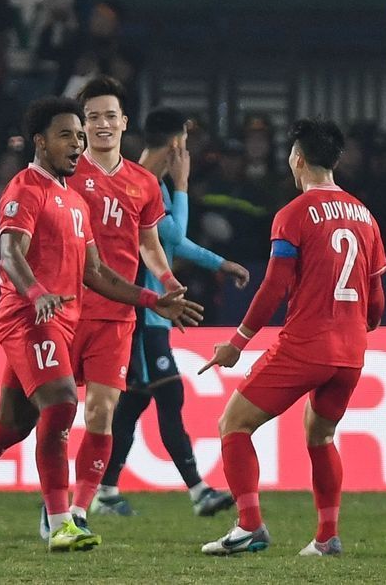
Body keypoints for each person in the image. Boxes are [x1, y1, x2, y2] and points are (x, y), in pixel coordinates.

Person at [0, 97, 203, 553]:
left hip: (61, 319)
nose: (77, 144)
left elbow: (97, 273)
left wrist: (152, 300)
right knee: (63, 403)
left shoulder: (75, 201)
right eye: (66, 135)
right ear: (40, 142)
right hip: (28, 317)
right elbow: (11, 253)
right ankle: (63, 522)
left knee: (11, 425)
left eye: (79, 137)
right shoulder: (25, 189)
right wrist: (36, 293)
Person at [197, 118, 386, 558]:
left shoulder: (294, 214)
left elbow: (274, 286)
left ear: (297, 159)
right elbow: (377, 299)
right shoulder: (366, 216)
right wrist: (359, 326)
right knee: (320, 435)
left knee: (233, 424)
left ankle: (250, 526)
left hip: (306, 345)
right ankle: (327, 537)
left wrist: (237, 343)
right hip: (351, 351)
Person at [96, 106, 249, 517]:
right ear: (178, 143)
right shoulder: (140, 184)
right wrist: (182, 185)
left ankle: (105, 491)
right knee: (168, 391)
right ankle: (198, 491)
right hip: (142, 312)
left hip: (152, 310)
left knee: (133, 404)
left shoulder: (148, 183)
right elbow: (175, 237)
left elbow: (170, 242)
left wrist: (220, 263)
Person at [47, 77, 174, 538]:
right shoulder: (63, 175)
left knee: (101, 412)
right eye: (93, 117)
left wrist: (168, 281)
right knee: (54, 414)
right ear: (82, 125)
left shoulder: (144, 183)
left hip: (116, 315)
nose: (103, 124)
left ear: (124, 122)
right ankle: (53, 502)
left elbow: (149, 244)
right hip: (64, 310)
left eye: (110, 116)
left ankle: (79, 511)